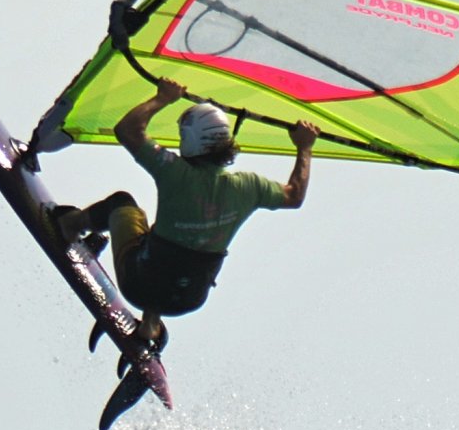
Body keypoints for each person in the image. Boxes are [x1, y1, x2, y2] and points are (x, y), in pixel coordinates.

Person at [53, 78, 318, 343]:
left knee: (122, 204)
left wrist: (163, 98)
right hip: (188, 300)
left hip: (139, 283)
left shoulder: (174, 172)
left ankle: (70, 225)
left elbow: (127, 130)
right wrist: (304, 147)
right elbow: (294, 195)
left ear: (191, 140)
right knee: (172, 257)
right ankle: (151, 325)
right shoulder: (250, 187)